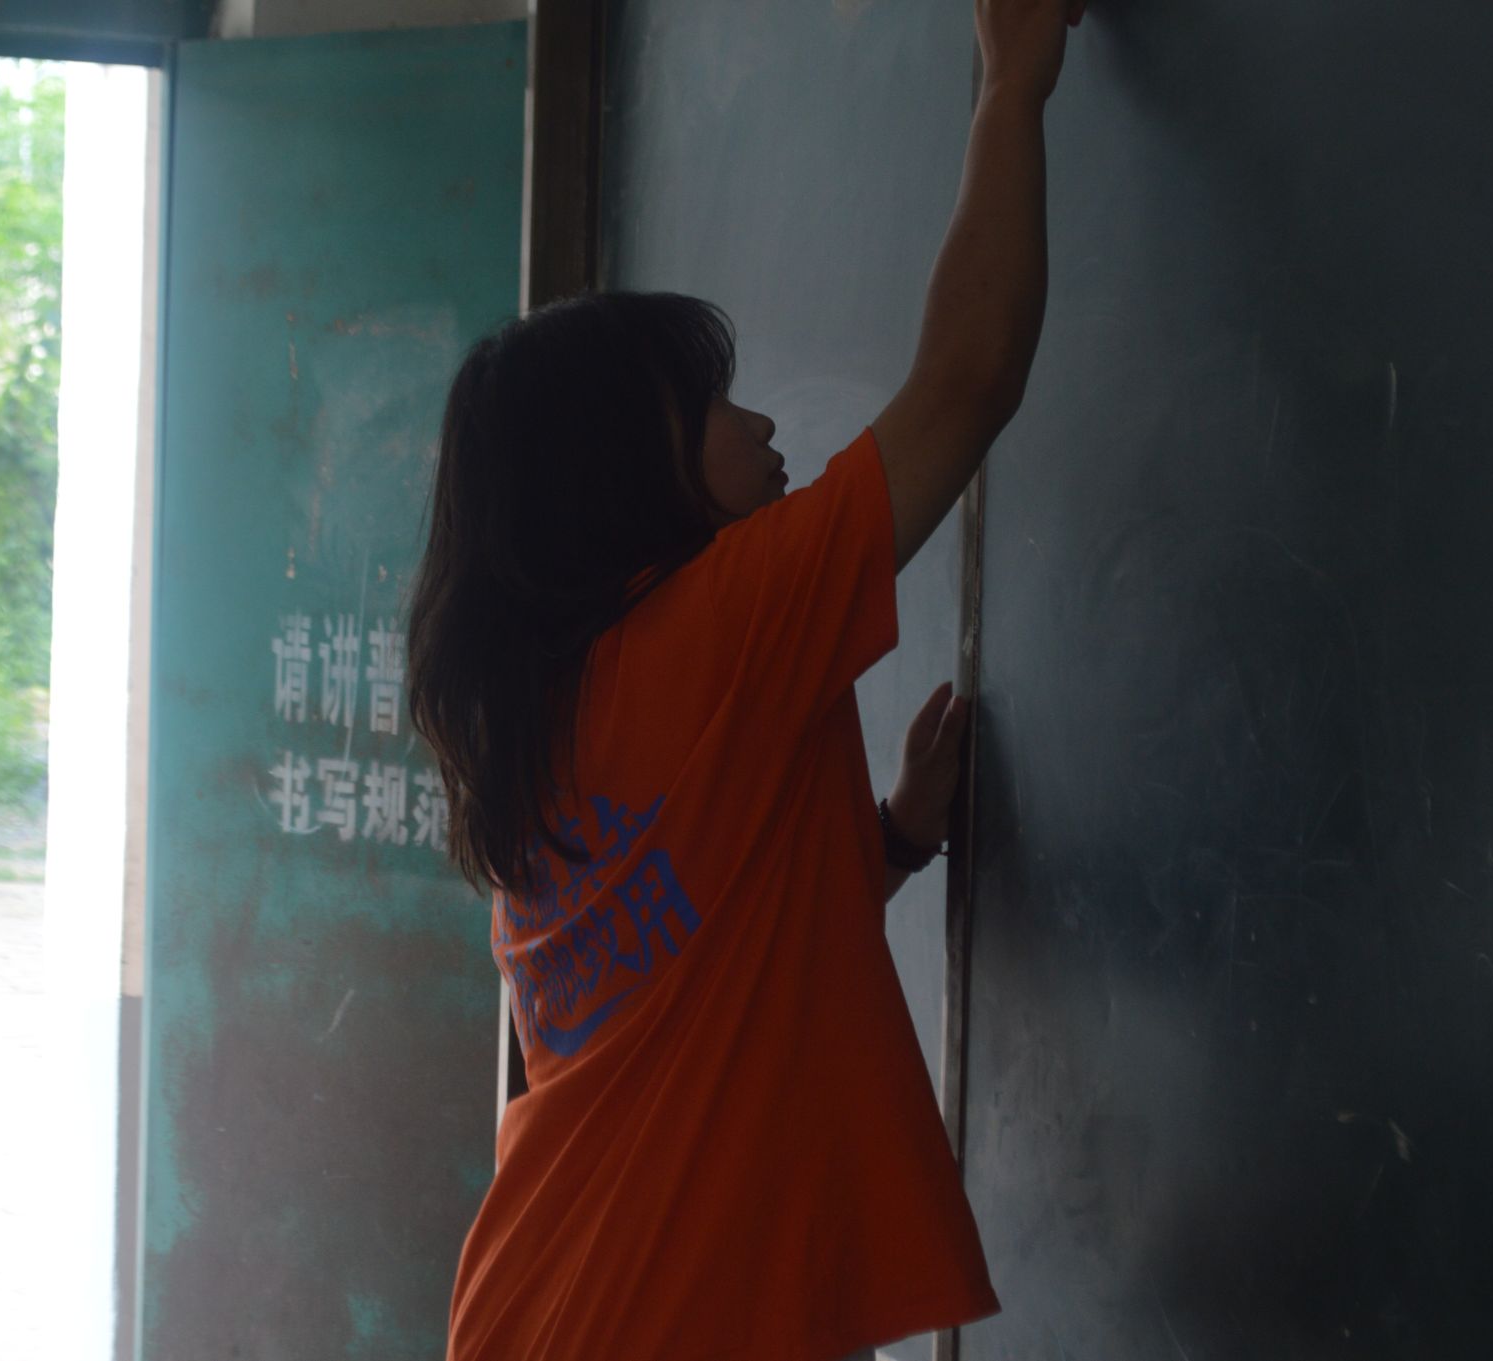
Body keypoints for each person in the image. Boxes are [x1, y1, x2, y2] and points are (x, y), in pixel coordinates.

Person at [408, 1, 1081, 1356]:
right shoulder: (714, 626)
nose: (762, 422)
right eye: (715, 402)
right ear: (629, 463)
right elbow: (967, 382)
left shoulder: (553, 716)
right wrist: (1012, 86)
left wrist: (889, 840)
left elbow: (684, 935)